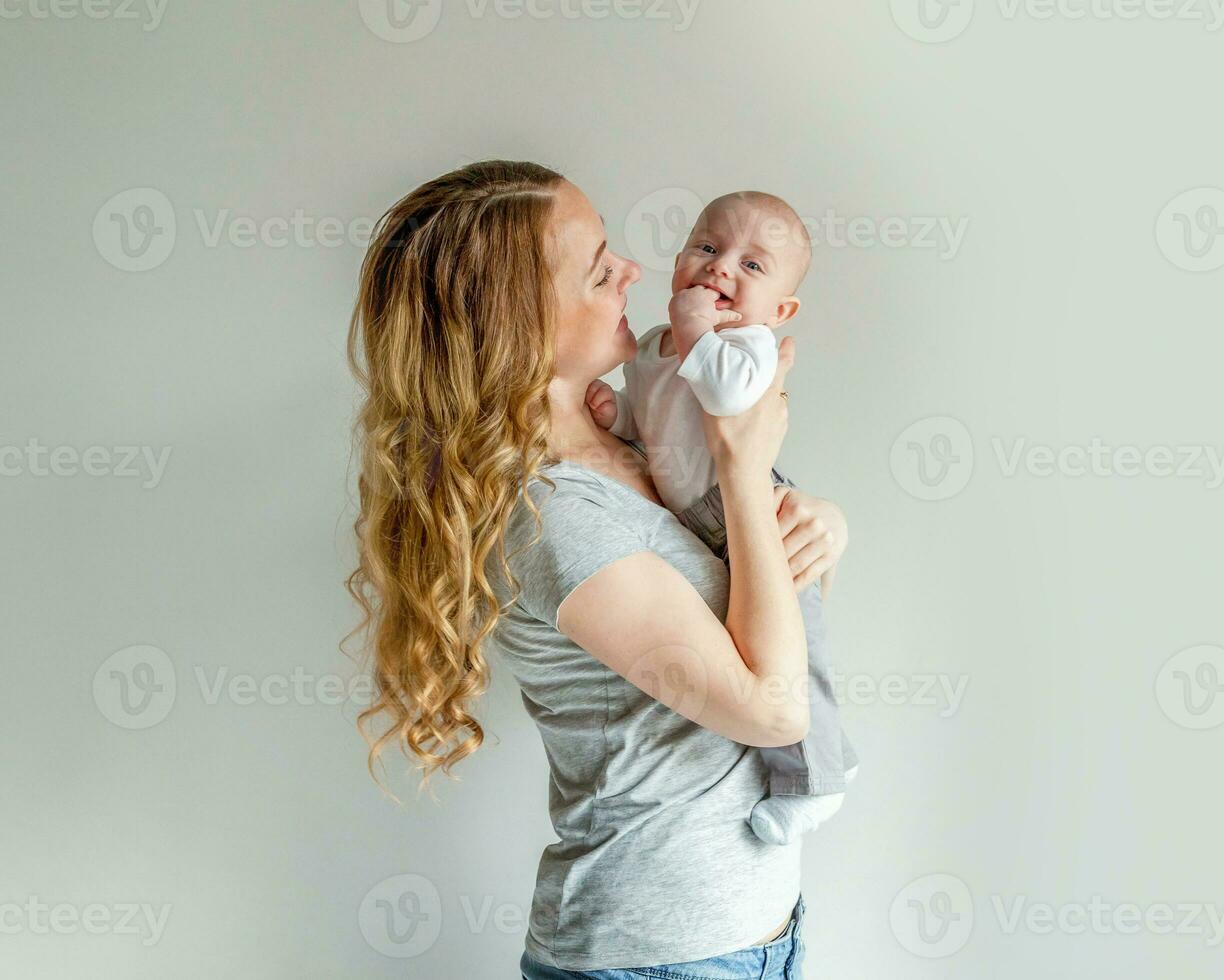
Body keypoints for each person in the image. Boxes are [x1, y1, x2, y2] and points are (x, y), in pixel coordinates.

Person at [345, 160, 851, 978]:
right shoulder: (554, 516)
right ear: (520, 318)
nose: (633, 271)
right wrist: (744, 465)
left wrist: (817, 522)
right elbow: (774, 710)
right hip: (658, 960)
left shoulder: (624, 444)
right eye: (600, 263)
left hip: (740, 939)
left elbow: (745, 581)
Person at [586, 190, 859, 846]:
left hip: (751, 504)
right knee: (753, 651)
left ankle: (820, 778)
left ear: (781, 310)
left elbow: (729, 397)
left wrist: (695, 332)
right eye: (706, 249)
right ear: (679, 260)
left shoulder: (749, 346)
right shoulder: (655, 347)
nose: (720, 269)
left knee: (799, 648)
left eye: (752, 266)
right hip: (702, 511)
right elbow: (654, 420)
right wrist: (617, 416)